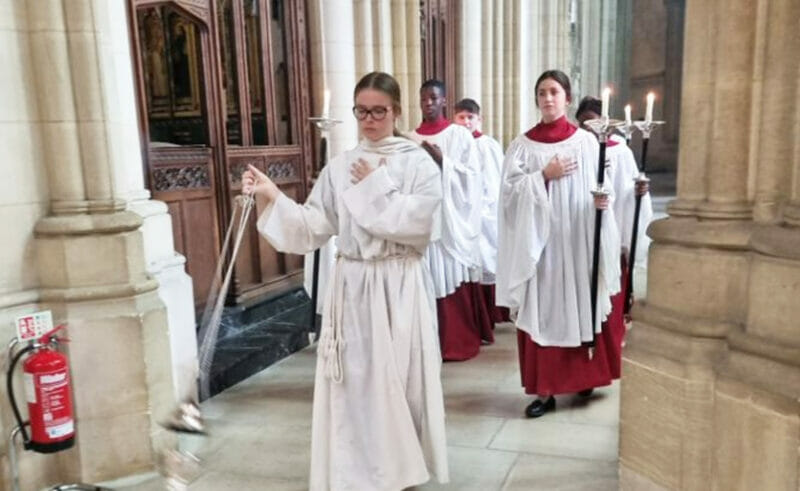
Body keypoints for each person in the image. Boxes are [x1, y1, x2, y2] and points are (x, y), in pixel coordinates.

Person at [242, 72, 448, 490]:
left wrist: (375, 188)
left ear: (396, 111)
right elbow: (312, 227)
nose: (369, 120)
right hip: (353, 285)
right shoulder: (339, 167)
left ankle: (401, 472)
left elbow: (421, 224)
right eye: (361, 111)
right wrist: (272, 196)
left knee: (400, 382)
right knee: (356, 384)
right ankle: (361, 473)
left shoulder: (417, 162)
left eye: (378, 111)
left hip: (398, 284)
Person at [496, 70, 621, 418]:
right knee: (545, 309)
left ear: (567, 98)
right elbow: (507, 197)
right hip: (540, 248)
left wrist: (602, 202)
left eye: (554, 92)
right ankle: (545, 390)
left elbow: (601, 185)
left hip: (576, 241)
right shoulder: (522, 146)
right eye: (541, 93)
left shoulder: (585, 142)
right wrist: (542, 177)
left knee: (579, 303)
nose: (547, 98)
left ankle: (583, 377)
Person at [406, 80, 485, 361]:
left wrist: (444, 163)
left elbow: (473, 177)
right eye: (423, 98)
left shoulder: (459, 136)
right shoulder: (408, 138)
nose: (428, 103)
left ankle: (454, 341)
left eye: (433, 98)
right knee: (423, 278)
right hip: (421, 219)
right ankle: (425, 345)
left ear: (443, 101)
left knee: (448, 275)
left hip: (450, 222)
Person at [575, 96, 653, 377]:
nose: (591, 129)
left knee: (608, 304)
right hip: (579, 240)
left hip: (613, 239)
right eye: (585, 124)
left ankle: (606, 361)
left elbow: (631, 196)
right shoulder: (575, 151)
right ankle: (584, 366)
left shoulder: (620, 152)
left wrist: (639, 194)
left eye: (597, 123)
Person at [453, 98, 509, 343]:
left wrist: (486, 208)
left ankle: (491, 313)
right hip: (462, 213)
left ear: (479, 119)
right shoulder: (453, 143)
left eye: (470, 117)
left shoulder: (487, 145)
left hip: (485, 211)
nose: (466, 122)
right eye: (461, 117)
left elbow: (494, 180)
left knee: (487, 259)